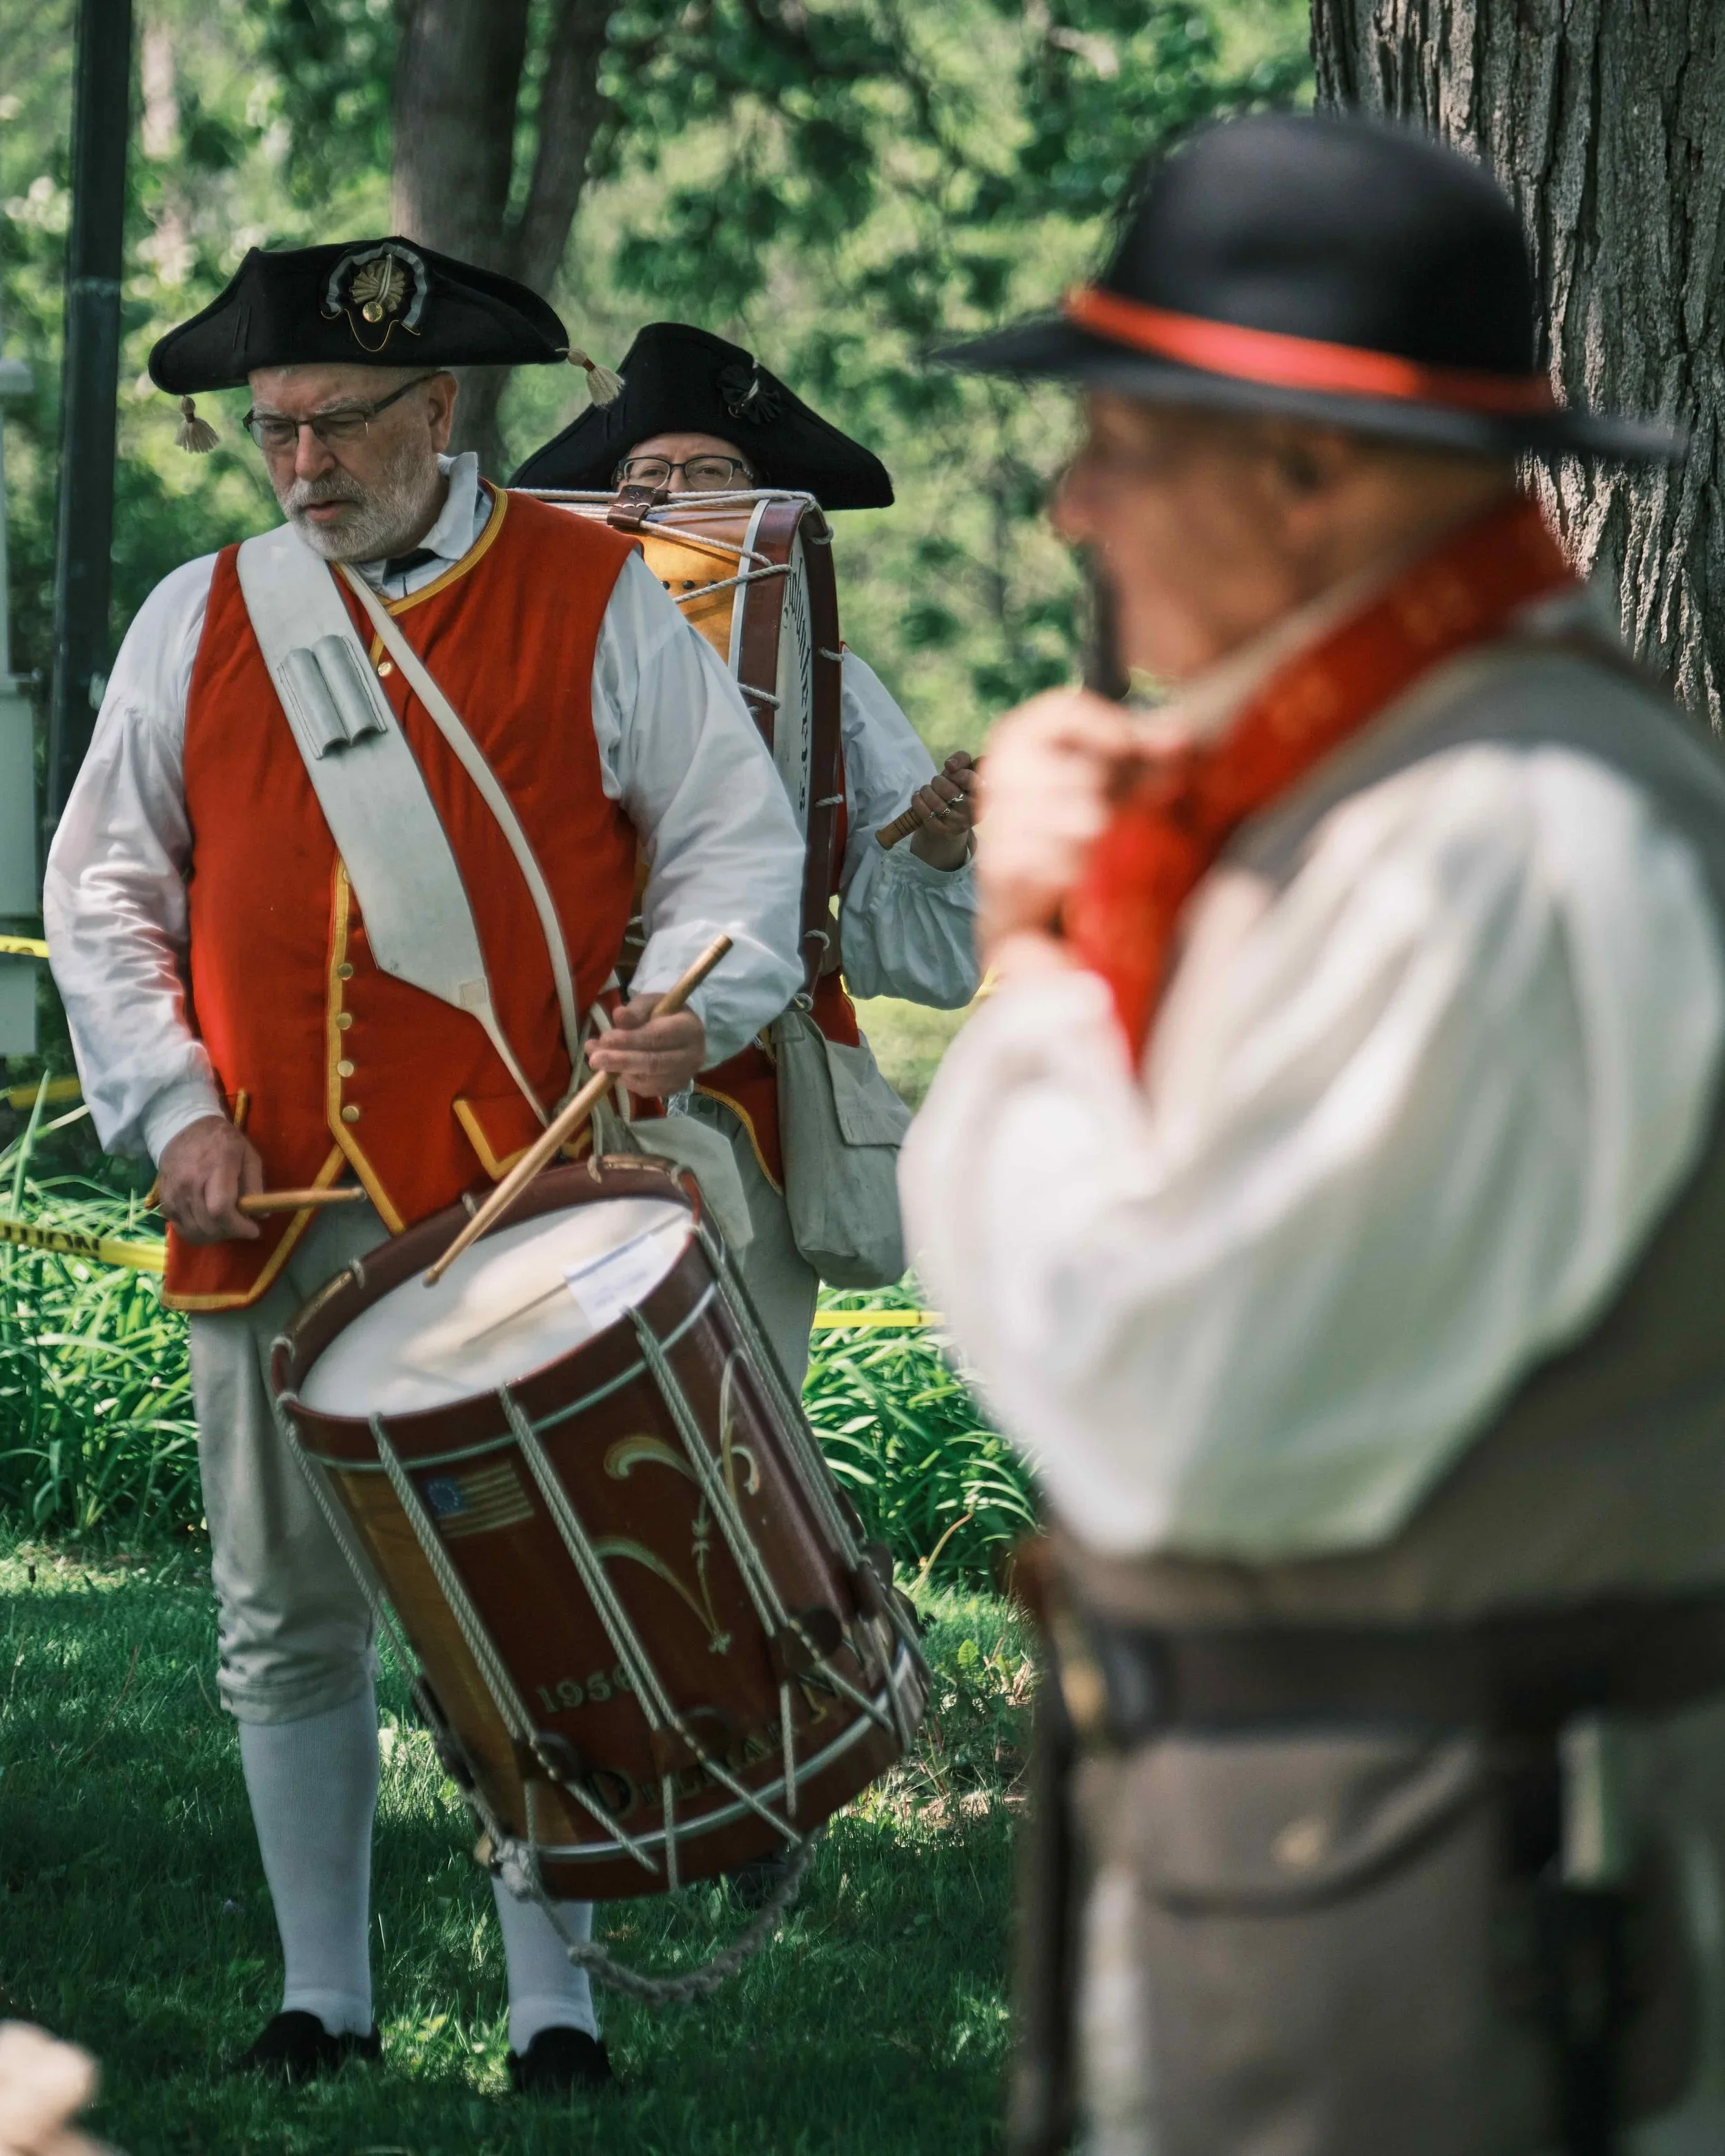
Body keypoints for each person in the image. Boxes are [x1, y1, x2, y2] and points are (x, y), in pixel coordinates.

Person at [902, 112, 1725, 2155]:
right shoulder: (1413, 793)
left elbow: (1179, 1405)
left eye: (1117, 441)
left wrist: (1037, 975)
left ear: (1305, 467)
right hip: (1366, 1887)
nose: (1067, 508)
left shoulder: (1498, 844)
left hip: (1462, 1940)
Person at [44, 238, 807, 2095]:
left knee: (535, 1612)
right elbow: (108, 888)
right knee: (278, 1606)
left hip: (509, 1199)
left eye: (334, 425)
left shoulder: (592, 595)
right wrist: (175, 1106)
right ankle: (325, 1996)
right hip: (267, 1202)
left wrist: (680, 1009)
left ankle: (557, 2006)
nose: (298, 463)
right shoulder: (201, 612)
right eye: (273, 428)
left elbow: (731, 842)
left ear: (438, 411)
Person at [514, 322, 980, 1389]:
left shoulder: (832, 678)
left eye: (710, 472)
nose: (677, 492)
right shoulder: (531, 655)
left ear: (757, 499)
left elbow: (900, 947)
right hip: (547, 1077)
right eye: (650, 474)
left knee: (740, 1410)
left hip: (749, 1097)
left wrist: (939, 843)